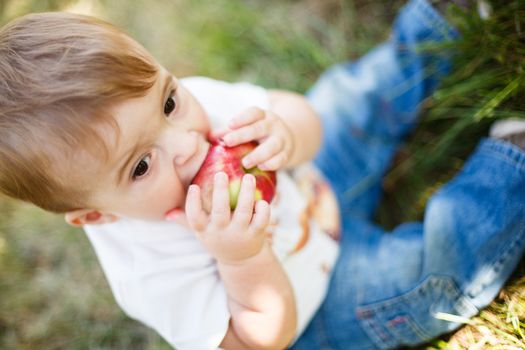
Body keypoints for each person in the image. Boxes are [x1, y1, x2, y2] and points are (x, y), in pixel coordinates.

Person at [0, 0, 523, 348]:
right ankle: (510, 167)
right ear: (96, 214)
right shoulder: (150, 274)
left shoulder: (187, 108)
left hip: (314, 180)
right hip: (319, 298)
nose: (186, 144)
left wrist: (287, 133)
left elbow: (304, 120)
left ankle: (436, 26)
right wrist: (241, 256)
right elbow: (261, 339)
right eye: (140, 165)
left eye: (169, 101)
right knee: (428, 276)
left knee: (348, 100)